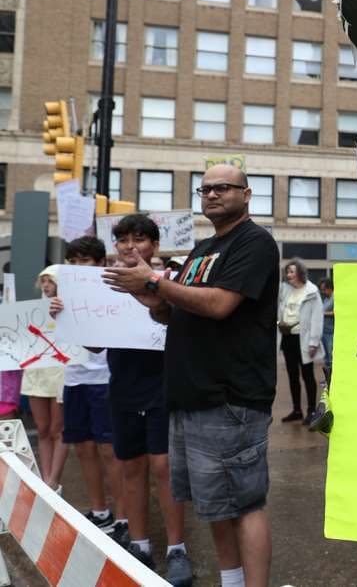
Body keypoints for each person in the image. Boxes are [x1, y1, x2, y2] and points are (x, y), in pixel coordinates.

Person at [103, 164, 278, 587]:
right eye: (206, 189)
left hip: (231, 396)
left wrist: (157, 284)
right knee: (215, 504)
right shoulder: (202, 250)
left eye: (224, 187)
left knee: (246, 504)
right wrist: (146, 290)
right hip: (191, 397)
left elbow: (219, 305)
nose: (213, 194)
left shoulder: (255, 243)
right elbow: (170, 312)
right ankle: (231, 581)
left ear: (247, 194)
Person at [100, 215, 192, 584]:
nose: (129, 246)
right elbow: (92, 340)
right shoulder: (104, 284)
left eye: (138, 239)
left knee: (163, 466)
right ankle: (139, 544)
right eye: (122, 239)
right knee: (131, 466)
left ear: (154, 245)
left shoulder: (169, 281)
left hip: (164, 384)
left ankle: (176, 548)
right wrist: (65, 313)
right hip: (122, 384)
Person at [48, 237, 127, 541]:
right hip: (73, 378)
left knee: (109, 450)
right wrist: (53, 312)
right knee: (82, 447)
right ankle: (100, 511)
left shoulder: (110, 290)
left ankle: (122, 515)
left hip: (103, 378)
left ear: (99, 263)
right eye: (74, 261)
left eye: (86, 260)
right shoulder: (61, 293)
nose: (79, 267)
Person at [25, 265, 68, 491]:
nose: (46, 285)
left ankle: (54, 479)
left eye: (50, 281)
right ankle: (45, 479)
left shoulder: (69, 308)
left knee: (57, 429)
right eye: (43, 281)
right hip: (37, 371)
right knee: (42, 428)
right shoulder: (32, 310)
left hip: (61, 371)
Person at [277, 259, 324, 425]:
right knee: (292, 375)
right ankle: (297, 410)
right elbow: (280, 311)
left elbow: (317, 318)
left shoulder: (311, 291)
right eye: (287, 271)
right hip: (288, 337)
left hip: (303, 339)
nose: (288, 274)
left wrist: (313, 342)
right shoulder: (285, 291)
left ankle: (311, 410)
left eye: (291, 271)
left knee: (307, 375)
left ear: (300, 273)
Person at [319, 277, 334, 385]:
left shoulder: (335, 298)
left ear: (330, 288)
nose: (322, 292)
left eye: (324, 289)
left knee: (331, 356)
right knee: (326, 357)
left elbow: (336, 312)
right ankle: (327, 379)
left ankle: (331, 380)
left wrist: (322, 314)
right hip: (324, 330)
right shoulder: (325, 299)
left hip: (331, 331)